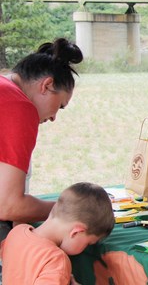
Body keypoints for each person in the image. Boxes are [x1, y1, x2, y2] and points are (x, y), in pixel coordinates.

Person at [0, 38, 83, 243]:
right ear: (47, 85)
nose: (54, 116)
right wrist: (70, 211)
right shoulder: (18, 105)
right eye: (60, 105)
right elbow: (8, 205)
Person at [0, 182, 114, 284]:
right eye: (88, 243)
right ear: (76, 232)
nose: (85, 248)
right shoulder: (57, 261)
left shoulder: (16, 232)